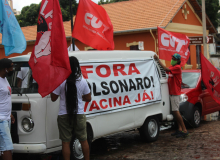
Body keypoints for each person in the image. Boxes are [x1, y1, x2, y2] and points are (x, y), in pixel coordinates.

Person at [51, 56, 91, 160]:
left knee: (65, 142)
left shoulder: (61, 80)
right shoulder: (82, 80)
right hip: (79, 114)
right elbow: (88, 98)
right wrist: (80, 97)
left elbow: (53, 98)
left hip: (63, 115)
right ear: (77, 66)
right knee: (83, 140)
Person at [154, 53, 189, 138]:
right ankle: (180, 129)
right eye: (172, 57)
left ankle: (185, 130)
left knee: (176, 112)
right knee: (175, 111)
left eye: (174, 58)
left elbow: (166, 68)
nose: (172, 59)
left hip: (175, 93)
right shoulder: (173, 67)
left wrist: (158, 60)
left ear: (177, 60)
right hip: (172, 93)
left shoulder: (177, 67)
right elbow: (166, 70)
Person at [0, 58, 15, 160]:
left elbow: (4, 99)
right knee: (7, 148)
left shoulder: (4, 79)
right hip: (1, 120)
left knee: (4, 148)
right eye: (11, 67)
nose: (12, 69)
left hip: (6, 118)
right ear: (5, 69)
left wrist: (10, 114)